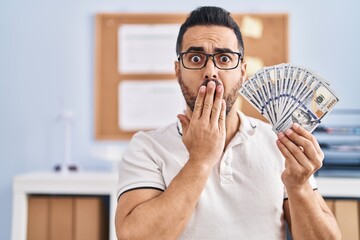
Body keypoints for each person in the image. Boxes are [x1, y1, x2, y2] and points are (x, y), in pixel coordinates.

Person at [115, 6, 341, 240]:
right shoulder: (147, 147)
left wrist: (299, 186)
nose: (210, 72)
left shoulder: (279, 143)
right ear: (177, 70)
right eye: (195, 58)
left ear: (243, 71)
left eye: (224, 58)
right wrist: (200, 161)